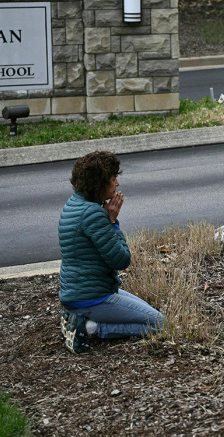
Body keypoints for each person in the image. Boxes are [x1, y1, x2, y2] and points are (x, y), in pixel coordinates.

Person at [58, 151, 164, 354]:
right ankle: (89, 328)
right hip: (92, 297)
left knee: (153, 314)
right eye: (113, 179)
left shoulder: (74, 203)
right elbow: (121, 260)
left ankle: (74, 316)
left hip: (77, 293)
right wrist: (112, 222)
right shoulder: (94, 214)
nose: (117, 184)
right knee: (160, 324)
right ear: (99, 184)